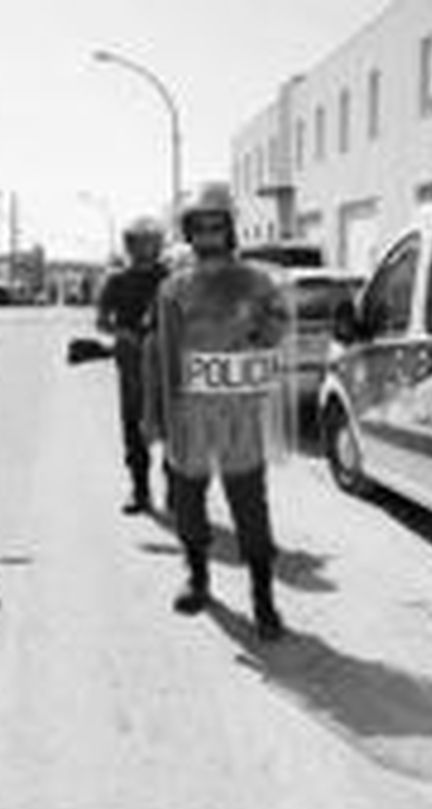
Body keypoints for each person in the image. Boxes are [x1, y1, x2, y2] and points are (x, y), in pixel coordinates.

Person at [143, 184, 288, 641]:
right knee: (188, 500)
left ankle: (264, 600)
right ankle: (198, 577)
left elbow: (277, 332)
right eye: (200, 224)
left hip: (239, 414)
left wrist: (264, 328)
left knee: (250, 506)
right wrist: (156, 414)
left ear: (229, 228)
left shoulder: (257, 282)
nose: (208, 231)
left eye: (216, 223)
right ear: (189, 231)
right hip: (190, 413)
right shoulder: (174, 287)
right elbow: (161, 354)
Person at [95, 216, 169, 514]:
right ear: (130, 245)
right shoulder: (116, 280)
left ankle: (176, 490)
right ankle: (140, 490)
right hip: (132, 365)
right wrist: (123, 333)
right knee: (134, 428)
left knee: (172, 426)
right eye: (141, 241)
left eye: (152, 241)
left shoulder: (170, 278)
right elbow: (101, 322)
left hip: (167, 361)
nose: (147, 247)